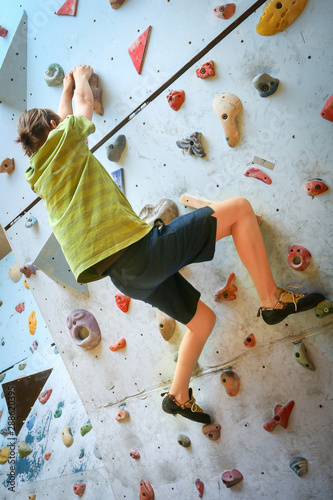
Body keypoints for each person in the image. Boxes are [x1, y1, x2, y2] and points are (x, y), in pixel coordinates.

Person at [16, 65, 324, 425]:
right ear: (55, 128)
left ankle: (177, 395)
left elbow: (62, 120)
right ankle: (272, 301)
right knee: (240, 210)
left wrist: (64, 90)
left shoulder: (40, 174)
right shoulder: (65, 138)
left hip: (126, 278)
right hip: (140, 252)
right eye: (59, 122)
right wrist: (79, 79)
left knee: (202, 321)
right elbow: (80, 107)